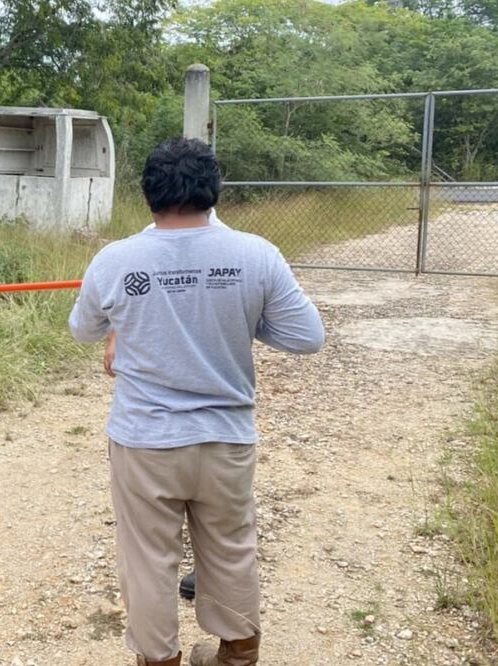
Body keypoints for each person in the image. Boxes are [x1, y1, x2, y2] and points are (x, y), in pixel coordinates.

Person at [69, 137, 324, 666]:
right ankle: (237, 653)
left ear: (147, 194)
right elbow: (306, 335)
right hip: (226, 439)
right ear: (215, 191)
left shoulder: (116, 259)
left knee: (147, 561)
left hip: (144, 441)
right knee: (231, 548)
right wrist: (242, 321)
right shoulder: (255, 253)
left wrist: (125, 325)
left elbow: (82, 330)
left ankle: (159, 660)